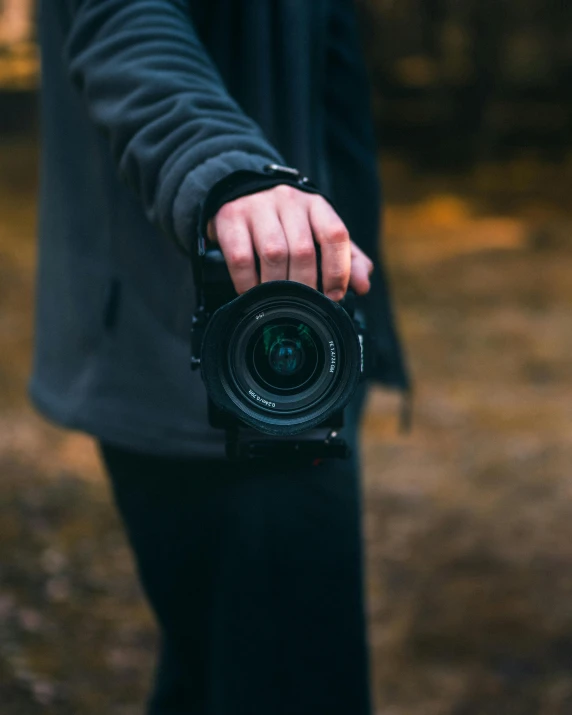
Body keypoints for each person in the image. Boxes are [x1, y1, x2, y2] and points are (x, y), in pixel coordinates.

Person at [31, 1, 409, 713]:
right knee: (291, 683)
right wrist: (228, 170)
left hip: (301, 339)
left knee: (221, 673)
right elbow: (125, 20)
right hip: (191, 348)